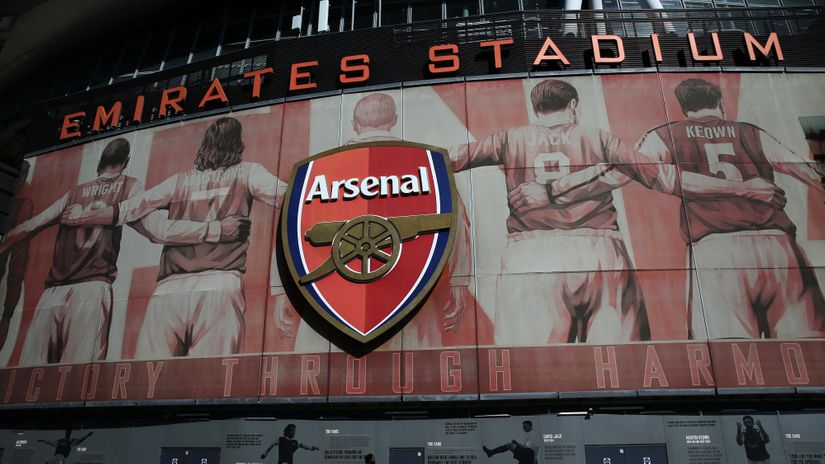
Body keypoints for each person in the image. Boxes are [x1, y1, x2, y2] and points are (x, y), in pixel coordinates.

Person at [534, 78, 825, 339]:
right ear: (720, 104)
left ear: (684, 107)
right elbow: (809, 171)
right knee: (807, 346)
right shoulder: (750, 132)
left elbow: (620, 170)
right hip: (778, 245)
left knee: (728, 352)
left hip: (714, 248)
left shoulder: (666, 135)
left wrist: (555, 189)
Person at [0, 138, 246, 365]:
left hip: (51, 295)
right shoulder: (128, 186)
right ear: (126, 162)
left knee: (23, 386)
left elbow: (27, 228)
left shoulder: (73, 194)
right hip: (91, 291)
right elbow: (158, 231)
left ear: (99, 163)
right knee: (78, 379)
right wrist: (215, 230)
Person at [452, 79, 655, 344]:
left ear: (536, 108)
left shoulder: (508, 138)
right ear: (573, 105)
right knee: (620, 358)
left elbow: (451, 157)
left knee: (531, 363)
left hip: (530, 249)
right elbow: (640, 167)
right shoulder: (598, 136)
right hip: (598, 246)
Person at [63, 118, 287, 357]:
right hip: (221, 282)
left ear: (205, 144)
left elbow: (129, 209)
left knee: (148, 378)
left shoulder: (178, 181)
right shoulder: (249, 172)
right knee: (210, 382)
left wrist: (82, 217)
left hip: (170, 289)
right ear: (237, 144)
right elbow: (291, 195)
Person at [346, 93, 473, 343]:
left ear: (354, 124)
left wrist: (280, 290)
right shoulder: (427, 162)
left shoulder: (326, 166)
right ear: (394, 120)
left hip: (344, 293)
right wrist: (459, 281)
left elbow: (295, 227)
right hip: (411, 291)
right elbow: (456, 222)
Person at [0, 160, 33, 350]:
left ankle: (6, 319)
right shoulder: (17, 203)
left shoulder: (23, 205)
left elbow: (17, 266)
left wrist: (7, 316)